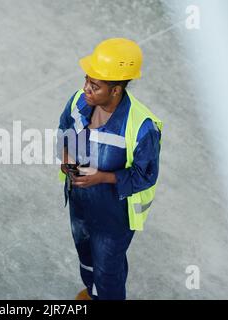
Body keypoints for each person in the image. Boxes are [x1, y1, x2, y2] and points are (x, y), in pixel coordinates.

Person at [57, 38, 163, 300]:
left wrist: (102, 177)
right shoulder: (78, 102)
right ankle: (94, 294)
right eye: (86, 80)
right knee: (85, 255)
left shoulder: (142, 127)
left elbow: (146, 175)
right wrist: (67, 156)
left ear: (115, 91)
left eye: (95, 86)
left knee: (108, 271)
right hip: (80, 201)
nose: (85, 89)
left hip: (114, 214)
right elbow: (64, 131)